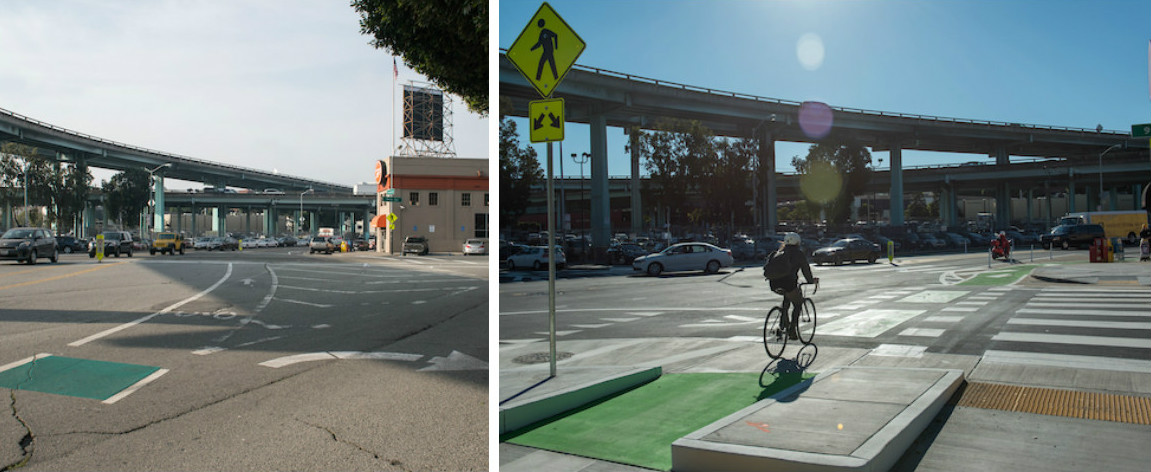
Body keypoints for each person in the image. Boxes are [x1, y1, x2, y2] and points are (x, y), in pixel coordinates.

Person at [769, 232, 818, 340]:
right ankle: (792, 329)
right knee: (798, 303)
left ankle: (783, 324)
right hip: (789, 283)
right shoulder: (798, 254)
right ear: (797, 242)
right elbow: (806, 270)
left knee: (786, 299)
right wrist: (810, 281)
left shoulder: (779, 252)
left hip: (773, 283)